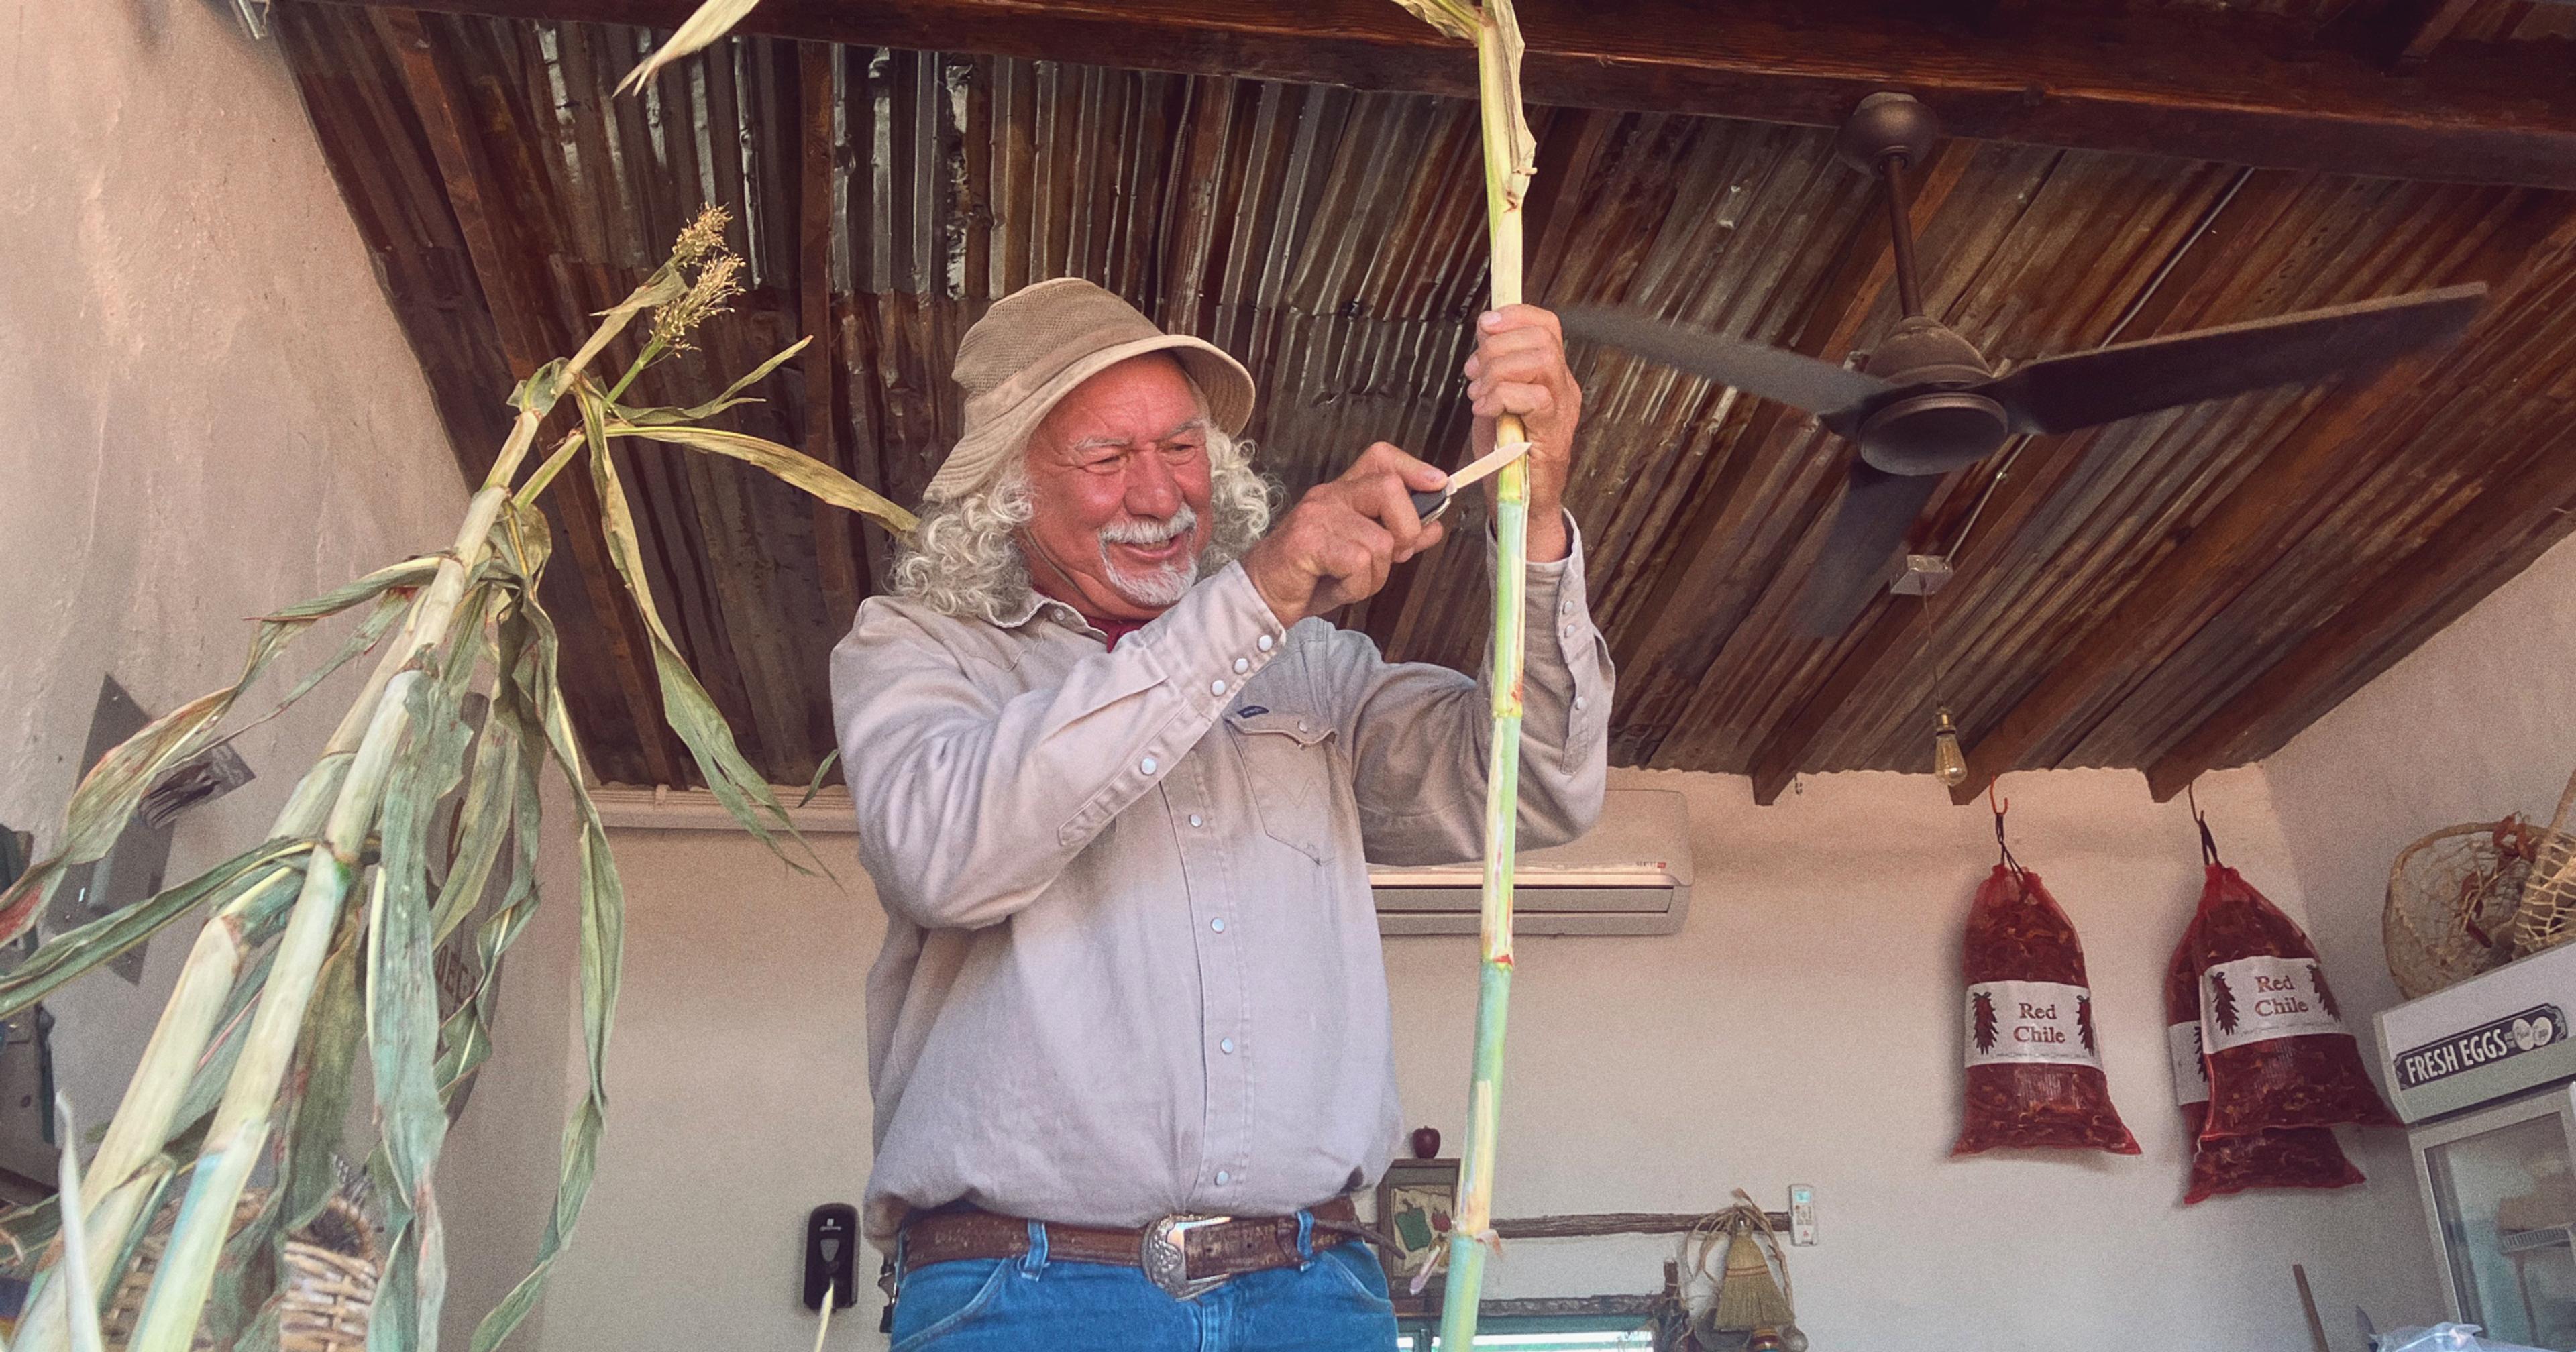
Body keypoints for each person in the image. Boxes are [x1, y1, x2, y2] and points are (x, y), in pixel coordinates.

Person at [832, 276, 1613, 1351]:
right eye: (1106, 459)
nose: (1160, 494)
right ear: (1007, 493)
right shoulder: (915, 651)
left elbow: (1538, 791)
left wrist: (1534, 516)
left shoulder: (1312, 666)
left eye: (1181, 447)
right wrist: (1255, 595)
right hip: (1025, 1294)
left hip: (1313, 1287)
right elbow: (943, 859)